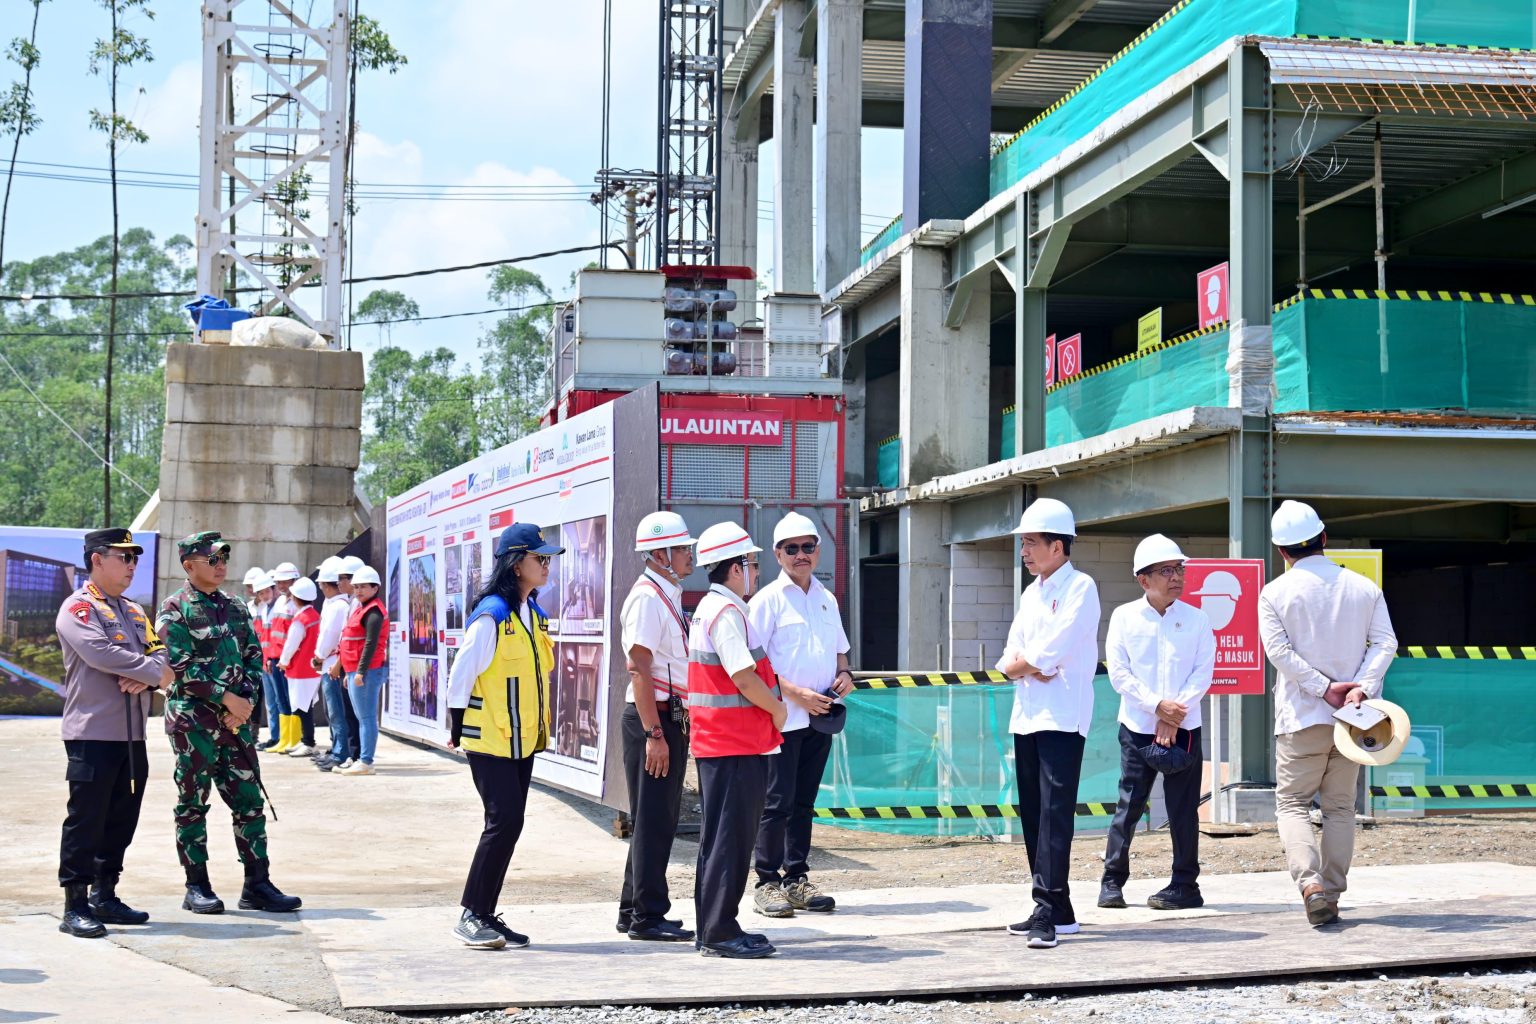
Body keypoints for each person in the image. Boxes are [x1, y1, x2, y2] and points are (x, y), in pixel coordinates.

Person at [1260, 500, 1397, 926]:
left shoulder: (1274, 592)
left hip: (1301, 717)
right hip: (1355, 719)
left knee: (1293, 804)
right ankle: (1332, 895)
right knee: (1339, 808)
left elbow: (1278, 652)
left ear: (1281, 551)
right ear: (1323, 538)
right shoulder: (1363, 588)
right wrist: (1360, 688)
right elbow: (1385, 643)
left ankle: (1310, 886)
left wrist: (1322, 688)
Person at [156, 532, 301, 915]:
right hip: (194, 725)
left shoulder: (235, 607)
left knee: (249, 801)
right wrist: (226, 698)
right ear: (189, 565)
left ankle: (257, 883)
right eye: (212, 560)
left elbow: (255, 656)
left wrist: (245, 703)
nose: (221, 566)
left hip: (235, 726)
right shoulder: (175, 609)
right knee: (192, 802)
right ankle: (197, 885)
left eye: (223, 559)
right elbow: (179, 665)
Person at [444, 523, 564, 949]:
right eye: (539, 558)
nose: (546, 565)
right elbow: (461, 673)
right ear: (516, 564)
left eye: (548, 558)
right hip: (489, 738)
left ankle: (484, 914)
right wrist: (456, 727)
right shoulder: (492, 614)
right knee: (503, 821)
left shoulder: (533, 614)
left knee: (509, 824)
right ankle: (471, 914)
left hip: (521, 740)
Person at [54, 528, 173, 938]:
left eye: (134, 558)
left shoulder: (135, 611)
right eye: (123, 557)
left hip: (132, 735)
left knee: (123, 817)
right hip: (93, 734)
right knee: (86, 818)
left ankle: (106, 894)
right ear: (96, 560)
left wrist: (149, 675)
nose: (131, 566)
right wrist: (153, 673)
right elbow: (99, 652)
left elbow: (162, 654)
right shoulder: (78, 608)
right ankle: (75, 904)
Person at [996, 498, 1100, 949]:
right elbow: (1009, 656)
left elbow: (1051, 650)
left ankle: (1045, 907)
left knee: (1056, 813)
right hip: (1028, 716)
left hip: (1062, 714)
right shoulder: (1030, 593)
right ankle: (1059, 909)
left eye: (1031, 542)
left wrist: (1032, 662)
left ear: (1058, 546)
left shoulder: (1081, 587)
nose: (1024, 550)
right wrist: (1028, 664)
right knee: (1035, 813)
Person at [1099, 535, 1215, 913]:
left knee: (1183, 810)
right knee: (1129, 805)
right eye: (1166, 571)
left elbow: (1203, 673)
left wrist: (1173, 714)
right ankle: (1112, 882)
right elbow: (1120, 674)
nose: (1176, 577)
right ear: (1143, 578)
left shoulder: (1197, 619)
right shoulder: (1124, 617)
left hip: (1184, 728)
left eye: (1179, 569)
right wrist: (1156, 709)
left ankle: (1185, 884)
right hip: (1137, 726)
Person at [688, 522, 788, 959]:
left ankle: (714, 926)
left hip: (727, 743)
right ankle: (720, 931)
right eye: (751, 563)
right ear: (733, 568)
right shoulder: (726, 614)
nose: (756, 571)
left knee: (720, 839)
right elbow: (744, 677)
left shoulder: (714, 608)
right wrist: (777, 709)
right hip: (734, 742)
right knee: (730, 839)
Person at [748, 511, 852, 918]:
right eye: (791, 549)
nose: (800, 555)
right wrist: (795, 693)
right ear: (778, 554)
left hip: (819, 718)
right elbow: (754, 664)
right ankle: (766, 882)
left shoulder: (826, 600)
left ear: (817, 550)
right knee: (777, 802)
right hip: (781, 718)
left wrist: (844, 673)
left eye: (807, 547)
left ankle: (796, 879)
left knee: (804, 802)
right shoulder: (766, 601)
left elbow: (840, 649)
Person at [614, 511, 697, 942]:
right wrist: (655, 734)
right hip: (655, 718)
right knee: (654, 819)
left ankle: (635, 910)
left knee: (655, 818)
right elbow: (638, 667)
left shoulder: (663, 593)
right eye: (683, 548)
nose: (690, 555)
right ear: (661, 554)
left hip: (665, 716)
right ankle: (647, 915)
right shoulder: (649, 598)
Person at [336, 565, 387, 776]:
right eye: (356, 587)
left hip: (367, 671)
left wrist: (360, 672)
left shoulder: (373, 611)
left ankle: (366, 761)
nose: (358, 591)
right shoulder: (361, 608)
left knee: (366, 718)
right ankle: (361, 760)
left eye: (364, 587)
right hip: (355, 670)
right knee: (361, 717)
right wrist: (350, 672)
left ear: (375, 588)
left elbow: (370, 644)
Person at [312, 558, 355, 772]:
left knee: (336, 711)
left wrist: (318, 656)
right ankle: (337, 749)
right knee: (332, 711)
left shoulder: (338, 606)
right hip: (329, 663)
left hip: (331, 664)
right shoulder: (334, 605)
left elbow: (328, 636)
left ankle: (340, 753)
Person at [278, 576, 322, 758]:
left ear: (295, 598)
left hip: (300, 670)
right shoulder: (315, 615)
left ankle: (309, 743)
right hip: (311, 669)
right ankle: (306, 741)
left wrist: (283, 661)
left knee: (302, 708)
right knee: (306, 706)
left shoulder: (301, 619)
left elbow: (291, 645)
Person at [259, 562, 301, 753]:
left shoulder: (297, 603)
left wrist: (285, 659)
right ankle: (285, 740)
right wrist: (269, 658)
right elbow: (272, 634)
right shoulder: (280, 602)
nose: (281, 586)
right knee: (281, 701)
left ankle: (294, 740)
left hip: (289, 661)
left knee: (292, 701)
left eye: (285, 582)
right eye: (279, 583)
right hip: (276, 659)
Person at [249, 574, 278, 749]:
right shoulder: (264, 610)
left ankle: (281, 737)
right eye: (261, 593)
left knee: (280, 703)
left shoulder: (276, 608)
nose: (265, 595)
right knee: (271, 703)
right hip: (265, 661)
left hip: (275, 660)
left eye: (267, 591)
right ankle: (276, 737)